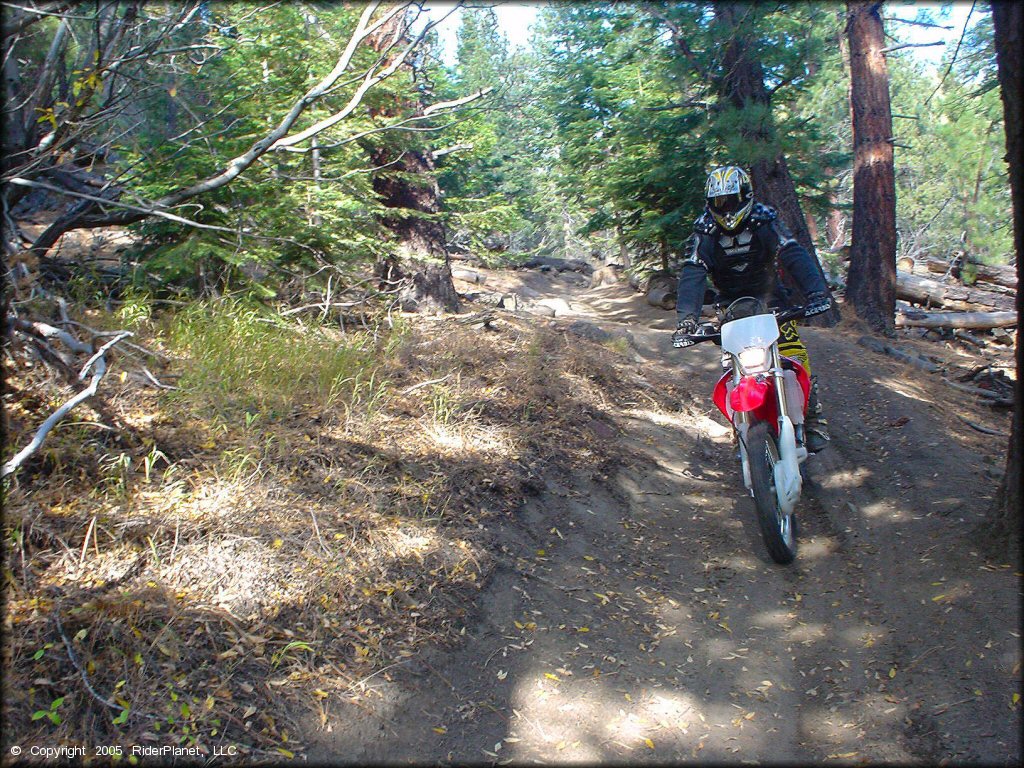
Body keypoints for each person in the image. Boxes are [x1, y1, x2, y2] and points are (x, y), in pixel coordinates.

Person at [672, 165, 834, 452]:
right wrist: (687, 320)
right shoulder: (704, 231)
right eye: (719, 203)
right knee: (732, 364)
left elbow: (792, 253)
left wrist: (816, 292)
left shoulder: (764, 220)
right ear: (709, 204)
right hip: (731, 308)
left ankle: (812, 415)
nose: (726, 208)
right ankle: (743, 426)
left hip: (772, 300)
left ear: (745, 196)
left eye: (731, 200)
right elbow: (693, 272)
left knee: (792, 352)